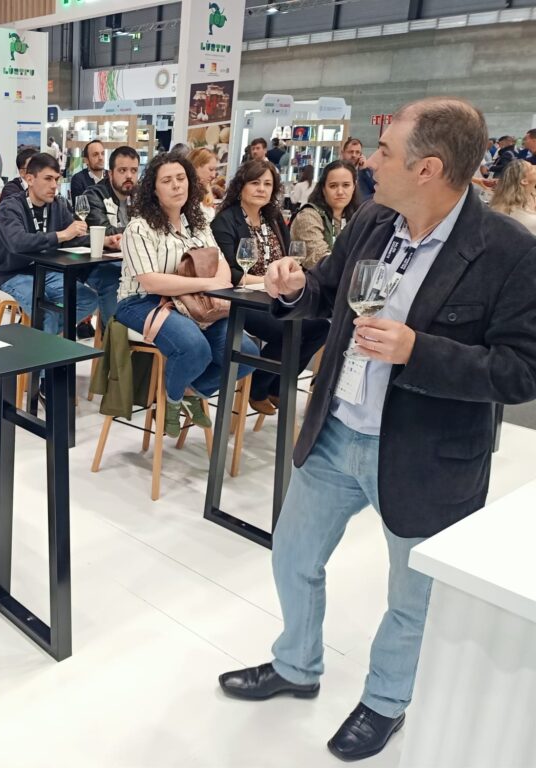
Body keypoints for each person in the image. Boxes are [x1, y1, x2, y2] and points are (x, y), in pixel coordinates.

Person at [219, 97, 536, 762]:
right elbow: (326, 293)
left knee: (411, 595)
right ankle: (297, 665)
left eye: (385, 150)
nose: (371, 156)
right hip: (337, 430)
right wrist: (288, 285)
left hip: (428, 452)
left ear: (427, 169)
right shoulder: (374, 222)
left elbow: (520, 372)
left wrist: (417, 350)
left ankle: (386, 701)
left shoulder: (507, 252)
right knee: (294, 556)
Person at [114, 153, 257, 437]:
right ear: (153, 189)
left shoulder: (200, 224)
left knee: (246, 353)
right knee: (195, 348)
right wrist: (204, 283)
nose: (177, 186)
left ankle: (188, 391)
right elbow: (151, 282)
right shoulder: (139, 228)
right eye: (167, 181)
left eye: (181, 179)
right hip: (140, 302)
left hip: (194, 304)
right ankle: (171, 401)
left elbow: (224, 271)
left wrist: (207, 283)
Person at [211, 159, 329, 416]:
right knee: (287, 329)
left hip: (275, 294)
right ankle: (258, 386)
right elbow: (229, 272)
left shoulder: (273, 217)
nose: (261, 189)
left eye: (267, 184)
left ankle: (274, 383)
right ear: (241, 186)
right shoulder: (225, 221)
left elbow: (287, 257)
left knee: (322, 326)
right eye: (255, 183)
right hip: (241, 297)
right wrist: (266, 281)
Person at [0, 152, 119, 335]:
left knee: (87, 298)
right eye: (48, 179)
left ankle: (42, 341)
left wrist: (104, 241)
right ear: (30, 179)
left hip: (48, 270)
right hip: (13, 273)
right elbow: (17, 242)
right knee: (46, 312)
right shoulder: (10, 207)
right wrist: (61, 235)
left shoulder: (57, 205)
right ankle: (47, 355)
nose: (54, 186)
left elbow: (72, 237)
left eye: (56, 179)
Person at [290, 160, 361, 268]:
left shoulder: (357, 216)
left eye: (346, 185)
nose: (340, 192)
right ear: (323, 189)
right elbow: (320, 261)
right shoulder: (308, 216)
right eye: (333, 186)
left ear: (354, 187)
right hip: (314, 283)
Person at [85, 145, 137, 245]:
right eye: (122, 170)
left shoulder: (141, 196)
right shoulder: (94, 195)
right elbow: (105, 232)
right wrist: (143, 231)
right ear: (110, 174)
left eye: (134, 170)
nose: (129, 176)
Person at [489, 159, 536, 234]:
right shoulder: (507, 210)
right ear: (524, 181)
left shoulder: (532, 195)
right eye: (531, 167)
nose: (535, 166)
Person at [187, 148, 219, 221]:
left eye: (215, 170)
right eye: (210, 169)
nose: (213, 175)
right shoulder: (185, 195)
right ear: (195, 166)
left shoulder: (205, 191)